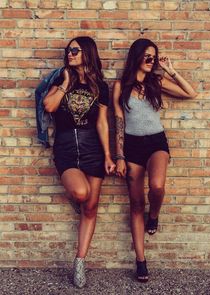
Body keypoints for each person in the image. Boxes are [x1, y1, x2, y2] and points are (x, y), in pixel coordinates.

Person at [113, 38, 197, 283]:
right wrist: (119, 155)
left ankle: (155, 215)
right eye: (147, 56)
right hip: (132, 146)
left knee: (158, 186)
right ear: (137, 57)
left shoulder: (156, 82)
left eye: (154, 57)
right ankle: (140, 261)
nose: (151, 61)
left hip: (156, 142)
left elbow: (190, 93)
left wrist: (171, 71)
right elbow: (118, 120)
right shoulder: (120, 86)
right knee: (136, 203)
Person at [43, 36, 115, 288]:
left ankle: (80, 261)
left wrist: (108, 155)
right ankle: (79, 200)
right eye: (68, 50)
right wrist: (64, 82)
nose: (70, 54)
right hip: (65, 146)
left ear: (87, 53)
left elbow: (102, 123)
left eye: (75, 50)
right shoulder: (59, 78)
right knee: (82, 192)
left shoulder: (100, 87)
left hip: (92, 147)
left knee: (91, 208)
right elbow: (49, 106)